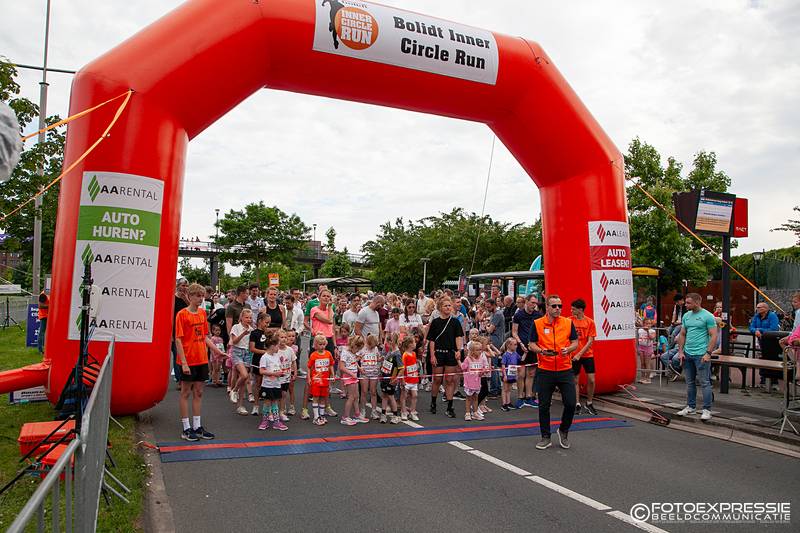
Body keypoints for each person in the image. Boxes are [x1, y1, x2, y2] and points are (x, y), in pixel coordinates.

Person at [174, 283, 225, 441]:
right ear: (190, 296)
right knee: (185, 392)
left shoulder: (203, 313)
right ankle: (186, 428)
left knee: (199, 392)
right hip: (188, 359)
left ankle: (197, 426)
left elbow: (204, 337)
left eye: (202, 296)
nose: (200, 298)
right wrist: (183, 362)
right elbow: (178, 339)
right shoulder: (182, 314)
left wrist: (217, 351)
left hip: (201, 358)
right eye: (197, 296)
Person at [529, 295, 579, 450]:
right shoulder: (537, 323)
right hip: (545, 369)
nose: (558, 309)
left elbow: (575, 342)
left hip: (565, 369)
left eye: (560, 306)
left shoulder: (568, 322)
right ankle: (545, 437)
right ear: (547, 307)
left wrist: (568, 349)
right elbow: (531, 344)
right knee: (544, 405)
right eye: (554, 306)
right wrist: (542, 351)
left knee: (571, 403)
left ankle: (563, 430)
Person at [675, 293, 718, 421]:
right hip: (688, 353)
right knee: (689, 382)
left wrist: (708, 353)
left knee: (704, 382)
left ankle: (707, 410)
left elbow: (714, 335)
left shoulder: (708, 316)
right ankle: (691, 407)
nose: (685, 304)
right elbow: (682, 334)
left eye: (688, 303)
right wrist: (681, 351)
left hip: (701, 354)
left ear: (697, 302)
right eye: (686, 302)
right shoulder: (686, 316)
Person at [427, 297, 465, 418]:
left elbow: (458, 337)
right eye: (445, 306)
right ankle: (433, 402)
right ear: (440, 308)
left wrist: (459, 350)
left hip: (450, 354)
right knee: (437, 380)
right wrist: (432, 355)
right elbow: (432, 340)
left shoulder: (455, 322)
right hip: (438, 353)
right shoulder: (435, 322)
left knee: (449, 380)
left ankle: (450, 406)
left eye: (449, 305)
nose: (448, 308)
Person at [512, 294, 542, 408]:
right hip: (521, 347)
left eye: (535, 303)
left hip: (533, 347)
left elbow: (540, 331)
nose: (534, 305)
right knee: (521, 374)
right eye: (532, 303)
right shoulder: (518, 315)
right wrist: (520, 343)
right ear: (526, 302)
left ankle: (529, 397)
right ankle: (520, 397)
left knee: (531, 373)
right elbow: (514, 331)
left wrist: (536, 344)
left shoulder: (538, 315)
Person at [569, 299, 598, 415]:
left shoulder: (590, 322)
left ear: (580, 310)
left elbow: (590, 341)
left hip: (587, 354)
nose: (571, 311)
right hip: (573, 355)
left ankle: (589, 403)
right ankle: (577, 403)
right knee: (575, 380)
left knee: (591, 379)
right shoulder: (569, 321)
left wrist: (579, 354)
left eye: (573, 309)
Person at [257, 330, 288, 431]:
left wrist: (281, 373)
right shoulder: (264, 357)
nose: (279, 348)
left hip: (276, 384)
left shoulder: (276, 356)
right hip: (267, 385)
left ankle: (276, 422)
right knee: (267, 403)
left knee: (275, 403)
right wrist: (274, 374)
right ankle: (264, 421)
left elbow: (277, 368)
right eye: (277, 346)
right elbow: (261, 371)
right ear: (272, 346)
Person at [229, 308, 255, 415]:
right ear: (241, 318)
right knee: (244, 375)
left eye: (250, 318)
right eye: (246, 317)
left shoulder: (252, 329)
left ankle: (240, 406)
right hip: (237, 352)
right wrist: (243, 333)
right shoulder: (236, 327)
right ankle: (234, 390)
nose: (248, 319)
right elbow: (234, 341)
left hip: (247, 353)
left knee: (244, 380)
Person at [750, 302, 780, 387]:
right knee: (762, 359)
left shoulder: (772, 316)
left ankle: (774, 381)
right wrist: (755, 331)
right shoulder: (756, 316)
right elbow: (751, 327)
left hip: (772, 342)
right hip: (762, 341)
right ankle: (763, 379)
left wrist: (759, 330)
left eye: (759, 307)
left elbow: (774, 328)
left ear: (766, 309)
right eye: (757, 307)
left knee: (772, 360)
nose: (757, 309)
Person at [308, 334, 336, 425]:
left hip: (325, 381)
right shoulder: (313, 355)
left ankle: (322, 415)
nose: (322, 346)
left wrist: (333, 375)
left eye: (324, 344)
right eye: (320, 344)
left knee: (323, 397)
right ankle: (316, 417)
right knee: (316, 397)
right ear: (315, 345)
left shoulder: (328, 354)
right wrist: (309, 378)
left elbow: (331, 365)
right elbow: (309, 367)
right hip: (316, 381)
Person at [461, 341, 490, 421]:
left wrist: (484, 371)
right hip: (469, 382)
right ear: (472, 351)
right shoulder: (468, 359)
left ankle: (475, 412)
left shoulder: (482, 359)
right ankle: (467, 413)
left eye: (480, 349)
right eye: (477, 350)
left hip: (477, 382)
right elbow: (463, 367)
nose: (480, 351)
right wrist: (458, 361)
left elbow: (485, 367)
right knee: (468, 398)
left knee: (476, 398)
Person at [339, 335, 365, 425]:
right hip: (349, 377)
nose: (357, 351)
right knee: (351, 397)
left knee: (356, 396)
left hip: (354, 376)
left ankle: (357, 415)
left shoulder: (352, 352)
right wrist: (351, 374)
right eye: (357, 349)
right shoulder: (345, 352)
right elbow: (341, 367)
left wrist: (359, 368)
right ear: (354, 346)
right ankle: (345, 417)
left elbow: (353, 361)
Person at [249, 313, 270, 416]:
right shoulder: (254, 333)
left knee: (268, 384)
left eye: (269, 323)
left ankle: (267, 407)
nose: (267, 325)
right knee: (258, 383)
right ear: (260, 321)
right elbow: (252, 348)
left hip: (269, 362)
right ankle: (256, 406)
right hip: (258, 360)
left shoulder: (269, 333)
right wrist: (265, 352)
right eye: (266, 322)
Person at [380, 333, 402, 424]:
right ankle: (383, 414)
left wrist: (396, 378)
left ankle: (396, 416)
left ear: (393, 342)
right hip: (384, 376)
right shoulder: (389, 351)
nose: (386, 343)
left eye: (388, 341)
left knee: (391, 396)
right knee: (384, 395)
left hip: (391, 378)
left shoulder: (397, 354)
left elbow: (401, 368)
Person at [358, 334, 382, 420]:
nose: (373, 347)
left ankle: (374, 411)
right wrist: (359, 368)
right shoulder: (362, 349)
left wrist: (381, 359)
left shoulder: (375, 349)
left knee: (373, 392)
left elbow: (378, 358)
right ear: (368, 343)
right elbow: (355, 359)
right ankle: (363, 411)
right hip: (364, 374)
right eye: (372, 346)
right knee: (364, 392)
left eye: (374, 346)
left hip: (374, 373)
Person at [172, 278, 190, 384]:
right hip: (175, 330)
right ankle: (179, 379)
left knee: (187, 354)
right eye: (183, 285)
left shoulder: (188, 298)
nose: (185, 288)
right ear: (178, 286)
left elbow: (192, 309)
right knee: (177, 354)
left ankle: (186, 377)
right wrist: (171, 335)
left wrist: (185, 299)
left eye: (186, 286)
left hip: (187, 330)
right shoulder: (173, 298)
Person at [399, 336, 421, 421]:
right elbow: (402, 368)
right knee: (404, 396)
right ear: (409, 344)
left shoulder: (414, 354)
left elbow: (413, 365)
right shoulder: (405, 355)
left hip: (414, 379)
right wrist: (402, 380)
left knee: (415, 395)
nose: (416, 343)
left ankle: (412, 411)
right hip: (407, 380)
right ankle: (403, 411)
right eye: (414, 342)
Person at [500, 338, 521, 411]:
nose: (516, 346)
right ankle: (504, 404)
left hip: (512, 374)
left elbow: (521, 359)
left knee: (509, 389)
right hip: (507, 374)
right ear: (509, 345)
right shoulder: (505, 355)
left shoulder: (515, 354)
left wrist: (525, 353)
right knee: (505, 389)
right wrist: (505, 375)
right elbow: (503, 365)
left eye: (516, 344)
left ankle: (508, 403)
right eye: (514, 345)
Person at [636, 319, 656, 384]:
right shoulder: (640, 330)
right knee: (642, 363)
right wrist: (637, 348)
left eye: (649, 323)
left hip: (648, 347)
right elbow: (637, 339)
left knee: (647, 363)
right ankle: (643, 377)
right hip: (641, 347)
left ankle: (648, 379)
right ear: (643, 324)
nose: (648, 325)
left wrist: (647, 331)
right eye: (646, 323)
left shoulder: (652, 331)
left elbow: (652, 338)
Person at [37, 288, 49, 354]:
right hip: (44, 316)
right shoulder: (43, 294)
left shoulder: (53, 292)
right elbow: (40, 305)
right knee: (41, 333)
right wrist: (51, 306)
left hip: (51, 316)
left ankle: (48, 348)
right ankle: (40, 350)